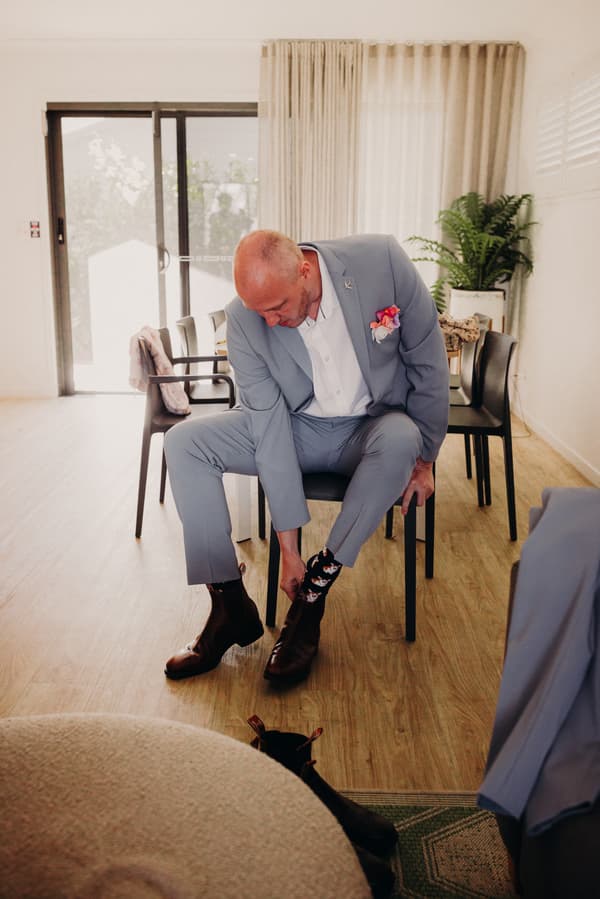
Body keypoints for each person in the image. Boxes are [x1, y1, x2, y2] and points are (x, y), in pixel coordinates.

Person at [163, 230, 449, 686]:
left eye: (277, 308)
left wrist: (427, 461)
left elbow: (428, 360)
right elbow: (269, 427)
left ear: (304, 270)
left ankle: (314, 595)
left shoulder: (382, 262)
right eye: (261, 312)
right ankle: (229, 607)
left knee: (403, 437)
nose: (270, 322)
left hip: (371, 429)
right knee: (184, 443)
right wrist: (288, 551)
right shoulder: (245, 319)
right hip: (297, 430)